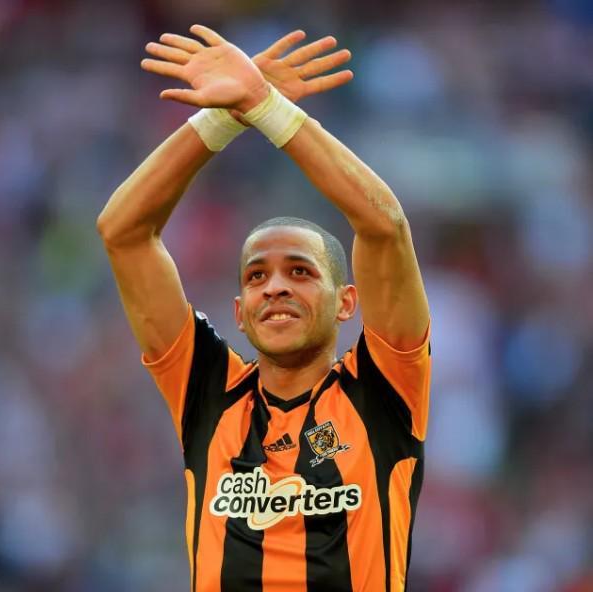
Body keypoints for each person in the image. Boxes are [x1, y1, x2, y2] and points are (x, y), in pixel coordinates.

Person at [97, 24, 431, 592]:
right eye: (257, 277)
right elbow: (121, 231)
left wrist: (266, 107)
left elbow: (385, 225)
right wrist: (223, 117)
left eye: (300, 271)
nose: (274, 287)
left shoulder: (383, 391)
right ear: (239, 311)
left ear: (347, 302)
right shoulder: (208, 393)